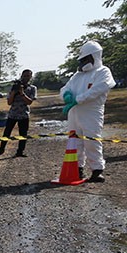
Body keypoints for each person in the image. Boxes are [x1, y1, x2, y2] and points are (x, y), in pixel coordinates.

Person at [60, 40, 116, 182]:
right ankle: (77, 168)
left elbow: (98, 89)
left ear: (94, 56)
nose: (83, 62)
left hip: (92, 112)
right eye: (82, 59)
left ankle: (97, 170)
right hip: (74, 112)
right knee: (74, 141)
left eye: (86, 58)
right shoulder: (77, 76)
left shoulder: (103, 72)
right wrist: (66, 95)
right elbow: (65, 88)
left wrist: (77, 99)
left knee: (92, 140)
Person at [0, 69, 36, 158]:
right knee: (6, 133)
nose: (26, 78)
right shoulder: (14, 87)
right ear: (21, 76)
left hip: (24, 114)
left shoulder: (32, 88)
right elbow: (9, 102)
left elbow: (29, 102)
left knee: (23, 134)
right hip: (13, 114)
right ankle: (1, 150)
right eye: (24, 76)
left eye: (28, 76)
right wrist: (14, 92)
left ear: (31, 77)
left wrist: (22, 93)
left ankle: (20, 151)